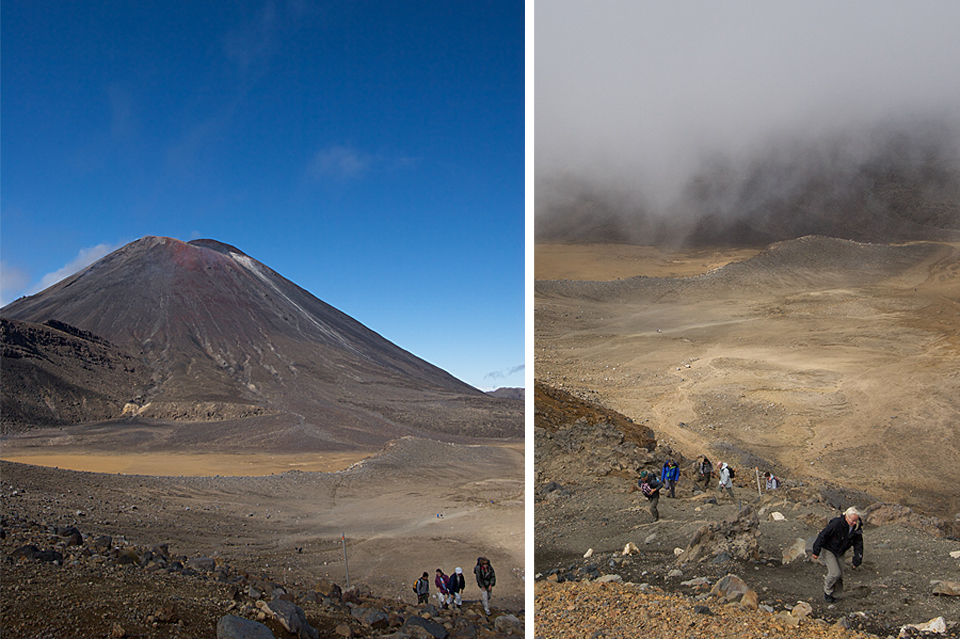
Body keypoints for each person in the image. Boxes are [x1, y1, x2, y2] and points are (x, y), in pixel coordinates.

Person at [812, 506, 864, 603]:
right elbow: (823, 535)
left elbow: (858, 544)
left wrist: (857, 559)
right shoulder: (837, 523)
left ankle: (836, 595)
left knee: (840, 575)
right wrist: (816, 551)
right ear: (846, 517)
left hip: (840, 551)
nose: (854, 523)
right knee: (835, 573)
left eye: (856, 521)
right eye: (852, 521)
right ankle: (827, 591)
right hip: (829, 549)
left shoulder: (856, 528)